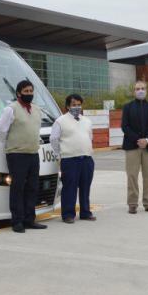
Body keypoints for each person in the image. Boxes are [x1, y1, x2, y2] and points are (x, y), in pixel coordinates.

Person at [0, 80, 47, 233]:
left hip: (33, 153)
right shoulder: (11, 109)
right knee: (18, 188)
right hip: (16, 154)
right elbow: (0, 131)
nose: (29, 94)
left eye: (31, 91)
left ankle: (29, 219)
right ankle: (17, 221)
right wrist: (12, 143)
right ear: (18, 93)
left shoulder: (37, 109)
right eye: (26, 91)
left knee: (32, 187)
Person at [51, 94, 96, 223]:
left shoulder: (87, 121)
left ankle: (85, 213)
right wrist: (59, 155)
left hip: (86, 159)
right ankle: (68, 214)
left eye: (79, 105)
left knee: (85, 187)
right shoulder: (60, 121)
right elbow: (54, 139)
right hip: (69, 159)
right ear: (67, 106)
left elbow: (90, 137)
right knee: (69, 188)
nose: (77, 107)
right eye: (74, 105)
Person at [121, 80, 148, 214]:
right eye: (137, 89)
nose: (140, 91)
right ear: (134, 91)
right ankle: (132, 204)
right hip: (132, 146)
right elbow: (124, 126)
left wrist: (147, 139)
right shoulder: (127, 107)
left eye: (143, 88)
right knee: (132, 176)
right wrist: (137, 139)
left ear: (146, 90)